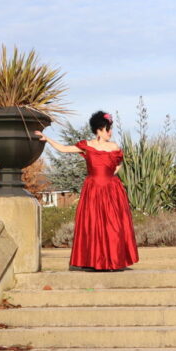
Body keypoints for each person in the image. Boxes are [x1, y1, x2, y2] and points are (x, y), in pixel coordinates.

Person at [35, 111, 139, 271]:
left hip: (108, 189)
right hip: (98, 188)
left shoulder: (110, 147)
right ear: (101, 128)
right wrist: (47, 139)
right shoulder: (91, 146)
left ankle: (113, 260)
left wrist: (106, 174)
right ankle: (96, 261)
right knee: (94, 224)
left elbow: (117, 166)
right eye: (109, 129)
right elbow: (64, 149)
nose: (111, 133)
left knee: (112, 224)